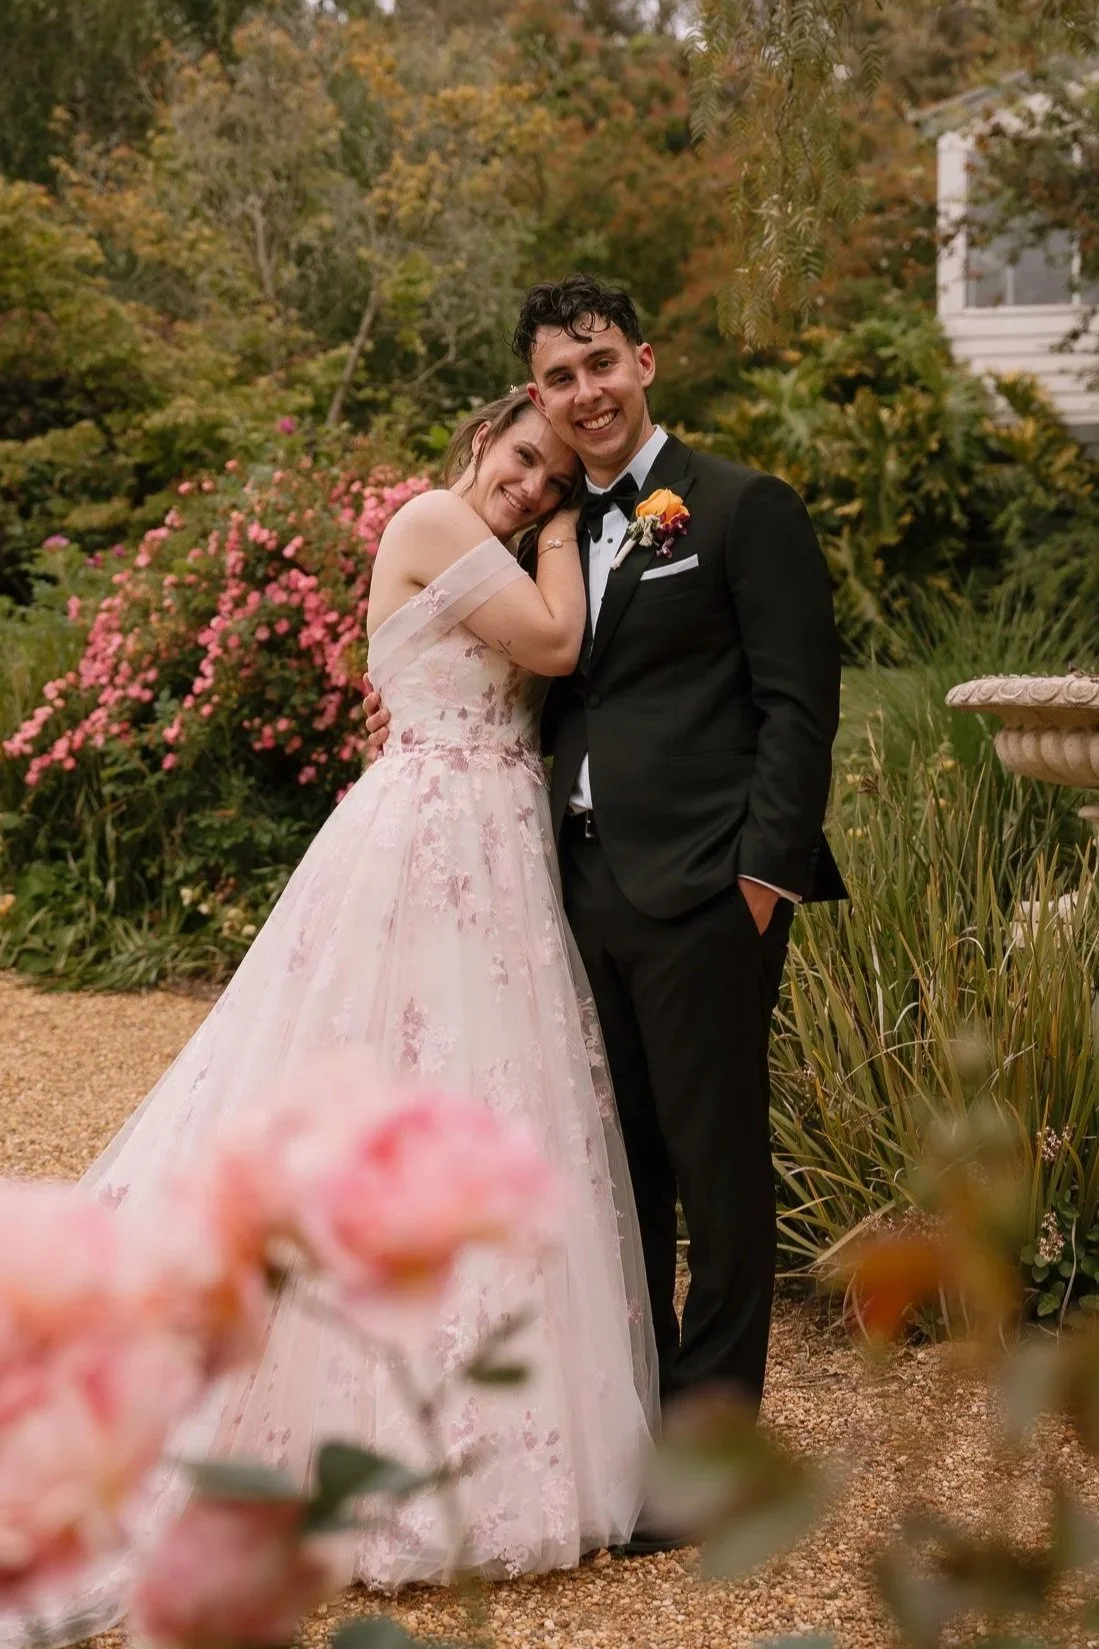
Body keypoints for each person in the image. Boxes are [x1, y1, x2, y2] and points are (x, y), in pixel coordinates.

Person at [16, 388, 657, 1647]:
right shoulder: (430, 515)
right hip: (425, 843)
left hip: (500, 847)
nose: (531, 486)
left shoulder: (463, 529)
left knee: (496, 1099)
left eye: (546, 482)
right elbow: (549, 645)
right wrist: (560, 529)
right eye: (524, 461)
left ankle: (481, 1441)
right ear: (481, 440)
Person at [365, 276, 846, 1551]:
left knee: (719, 1174)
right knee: (613, 1176)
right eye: (559, 377)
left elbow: (799, 706)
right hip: (565, 895)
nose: (585, 392)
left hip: (704, 892)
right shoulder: (543, 524)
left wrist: (763, 876)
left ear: (645, 359)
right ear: (534, 397)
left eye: (600, 364)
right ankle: (622, 1437)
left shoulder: (742, 508)